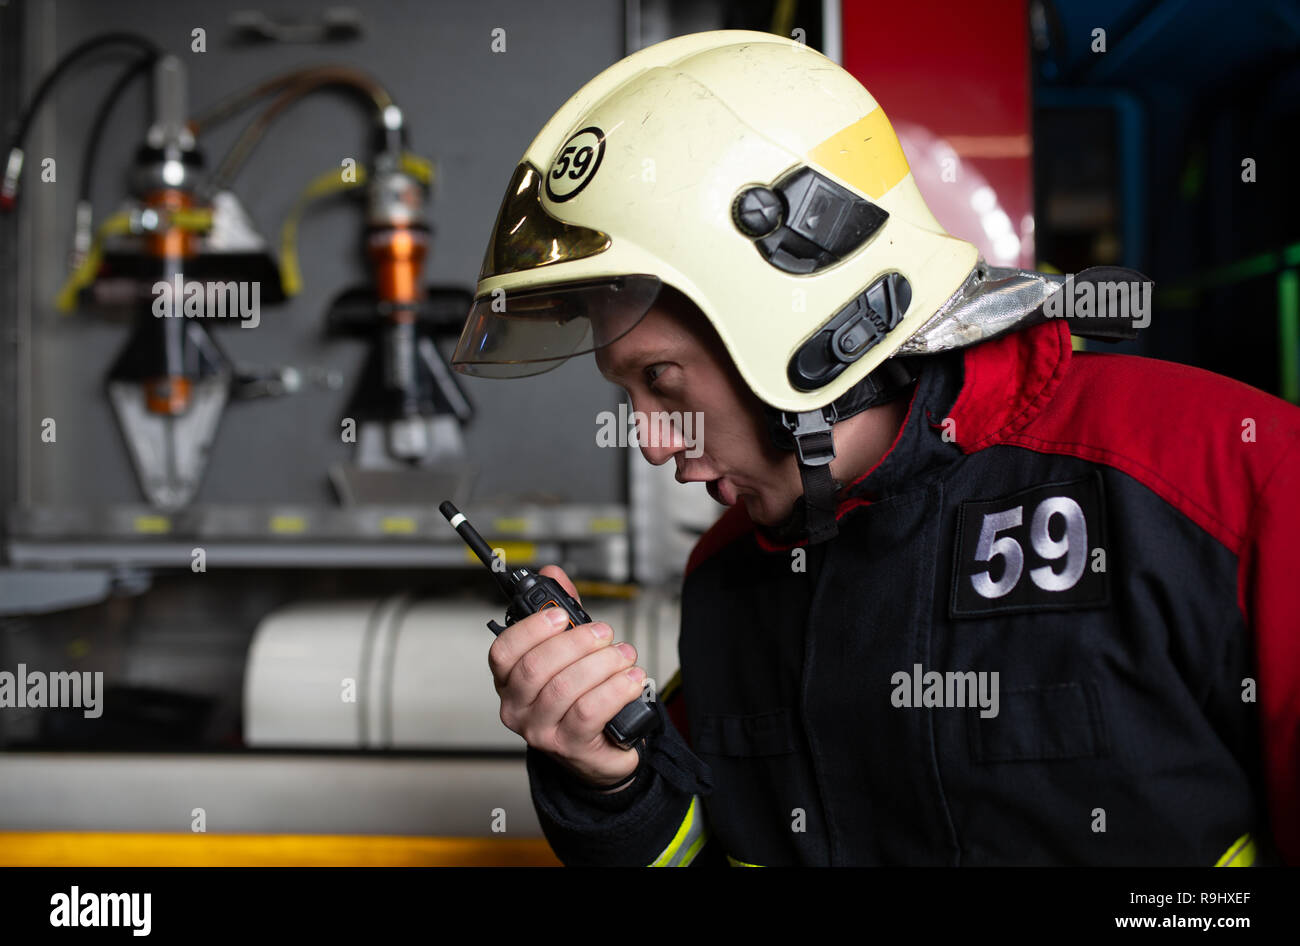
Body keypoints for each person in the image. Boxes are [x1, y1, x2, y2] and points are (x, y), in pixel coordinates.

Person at [449, 30, 1300, 866]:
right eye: (625, 394)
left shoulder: (1218, 479)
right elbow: (701, 841)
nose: (652, 442)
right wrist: (607, 785)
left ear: (802, 319)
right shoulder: (729, 573)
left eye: (662, 378)